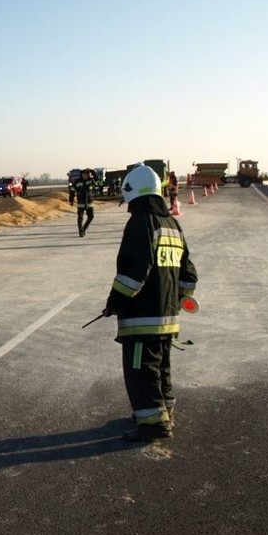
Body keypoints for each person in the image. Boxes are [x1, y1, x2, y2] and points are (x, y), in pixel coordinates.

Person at [102, 164, 198, 442]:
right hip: (168, 318)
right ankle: (164, 410)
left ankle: (153, 424)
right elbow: (188, 274)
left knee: (141, 372)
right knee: (161, 368)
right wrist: (177, 301)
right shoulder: (172, 224)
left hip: (142, 318)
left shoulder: (141, 222)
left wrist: (115, 302)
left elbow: (133, 272)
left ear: (131, 192)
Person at [69, 168, 95, 237]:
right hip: (81, 203)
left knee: (91, 216)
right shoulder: (77, 182)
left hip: (89, 202)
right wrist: (71, 200)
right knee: (80, 218)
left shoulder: (90, 180)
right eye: (84, 174)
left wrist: (92, 171)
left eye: (87, 174)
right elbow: (72, 191)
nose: (85, 175)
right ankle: (80, 232)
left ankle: (84, 228)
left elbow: (97, 179)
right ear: (81, 174)